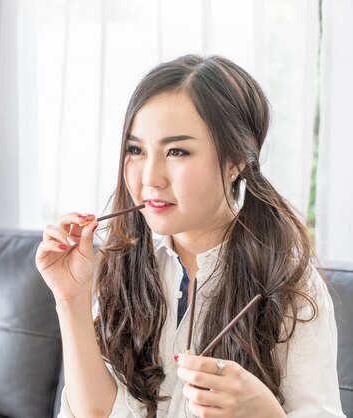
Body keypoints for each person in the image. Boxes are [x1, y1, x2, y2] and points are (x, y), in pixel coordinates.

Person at [36, 55, 344, 418]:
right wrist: (70, 299)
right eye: (136, 150)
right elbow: (98, 412)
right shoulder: (122, 260)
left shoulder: (289, 282)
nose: (150, 177)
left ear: (236, 161)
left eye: (177, 151)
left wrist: (265, 412)